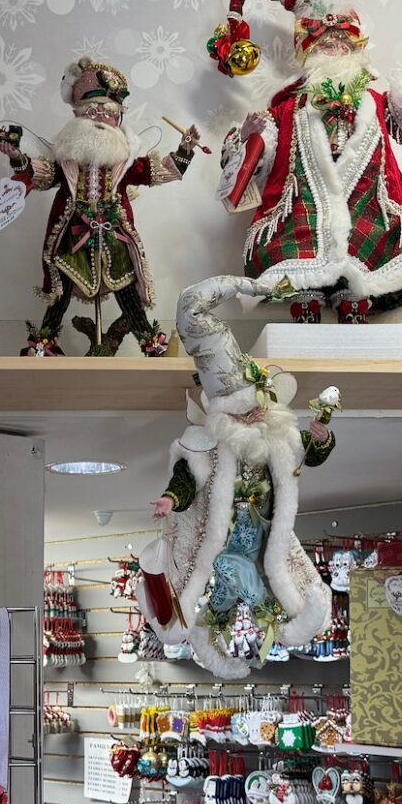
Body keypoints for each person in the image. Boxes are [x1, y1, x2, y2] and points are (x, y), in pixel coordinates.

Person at [208, 0, 402, 323]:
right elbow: (256, 162)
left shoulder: (377, 102)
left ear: (356, 49)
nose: (337, 48)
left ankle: (353, 305)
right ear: (309, 50)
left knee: (360, 262)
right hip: (303, 209)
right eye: (327, 43)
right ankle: (305, 305)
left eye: (344, 43)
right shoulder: (286, 109)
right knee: (301, 258)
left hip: (366, 204)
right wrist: (248, 136)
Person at [136, 274, 338, 677]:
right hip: (223, 537)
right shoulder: (206, 446)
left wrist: (323, 439)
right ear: (225, 415)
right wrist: (171, 499)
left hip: (263, 533)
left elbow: (309, 455)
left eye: (257, 408)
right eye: (244, 412)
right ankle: (263, 624)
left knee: (243, 586)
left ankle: (219, 635)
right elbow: (186, 478)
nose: (253, 416)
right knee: (234, 571)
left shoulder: (279, 436)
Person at [0, 58, 198, 356]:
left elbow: (159, 172)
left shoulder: (125, 162)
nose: (100, 118)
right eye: (92, 111)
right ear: (78, 114)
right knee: (61, 285)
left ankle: (150, 343)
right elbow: (41, 175)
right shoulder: (67, 159)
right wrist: (19, 159)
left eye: (108, 113)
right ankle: (44, 342)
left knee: (126, 287)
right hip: (73, 234)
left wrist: (185, 150)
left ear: (118, 119)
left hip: (115, 236)